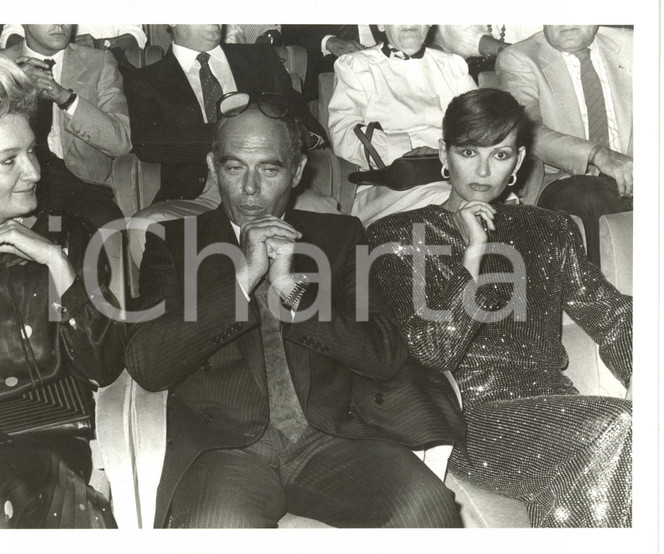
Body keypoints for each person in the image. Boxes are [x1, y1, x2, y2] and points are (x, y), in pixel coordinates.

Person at [126, 94, 464, 528]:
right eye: (234, 168)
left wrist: (291, 292)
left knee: (427, 506)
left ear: (298, 171)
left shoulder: (338, 236)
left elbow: (382, 355)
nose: (250, 189)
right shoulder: (173, 242)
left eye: (269, 169)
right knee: (218, 527)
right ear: (212, 168)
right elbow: (147, 364)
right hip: (226, 451)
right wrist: (244, 278)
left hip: (332, 440)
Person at [368, 89, 632, 527]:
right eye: (468, 151)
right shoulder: (399, 235)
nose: (484, 170)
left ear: (519, 161)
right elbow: (434, 349)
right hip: (471, 419)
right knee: (619, 425)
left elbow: (611, 313)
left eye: (501, 153)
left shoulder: (547, 228)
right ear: (444, 154)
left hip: (557, 410)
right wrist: (474, 256)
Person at [0, 53, 126, 528]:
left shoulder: (69, 235)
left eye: (33, 151)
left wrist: (57, 263)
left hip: (54, 450)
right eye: (8, 160)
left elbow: (105, 366)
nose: (35, 172)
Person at [124, 24, 327, 202]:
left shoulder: (259, 57)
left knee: (328, 218)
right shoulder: (146, 80)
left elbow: (303, 121)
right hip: (197, 194)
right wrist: (234, 131)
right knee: (149, 227)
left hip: (272, 190)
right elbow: (147, 143)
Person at [496, 25, 633, 265]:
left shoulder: (637, 44)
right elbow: (528, 132)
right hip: (564, 179)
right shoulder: (520, 58)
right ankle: (596, 299)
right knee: (589, 196)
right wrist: (598, 155)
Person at [328, 24, 477, 226]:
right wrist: (408, 152)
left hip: (453, 175)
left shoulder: (452, 65)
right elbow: (344, 134)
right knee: (464, 206)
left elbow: (479, 126)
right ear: (381, 23)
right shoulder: (356, 65)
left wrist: (450, 157)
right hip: (389, 185)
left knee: (498, 206)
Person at [1, 24, 132, 227]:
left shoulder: (98, 62)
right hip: (11, 183)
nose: (60, 23)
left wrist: (63, 97)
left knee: (101, 228)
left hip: (81, 185)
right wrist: (17, 88)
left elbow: (121, 142)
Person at [0, 23, 148, 50]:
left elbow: (136, 37)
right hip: (43, 70)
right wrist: (40, 49)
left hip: (99, 70)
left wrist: (101, 45)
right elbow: (10, 35)